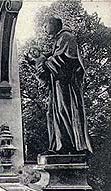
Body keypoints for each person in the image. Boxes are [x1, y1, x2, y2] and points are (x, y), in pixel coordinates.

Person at [36, 17, 92, 154]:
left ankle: (68, 146)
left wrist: (44, 62)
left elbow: (65, 60)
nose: (44, 29)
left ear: (53, 24)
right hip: (58, 84)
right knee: (54, 113)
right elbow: (54, 56)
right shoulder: (59, 40)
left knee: (64, 111)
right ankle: (59, 145)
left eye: (46, 25)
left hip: (66, 84)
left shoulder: (66, 37)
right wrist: (40, 60)